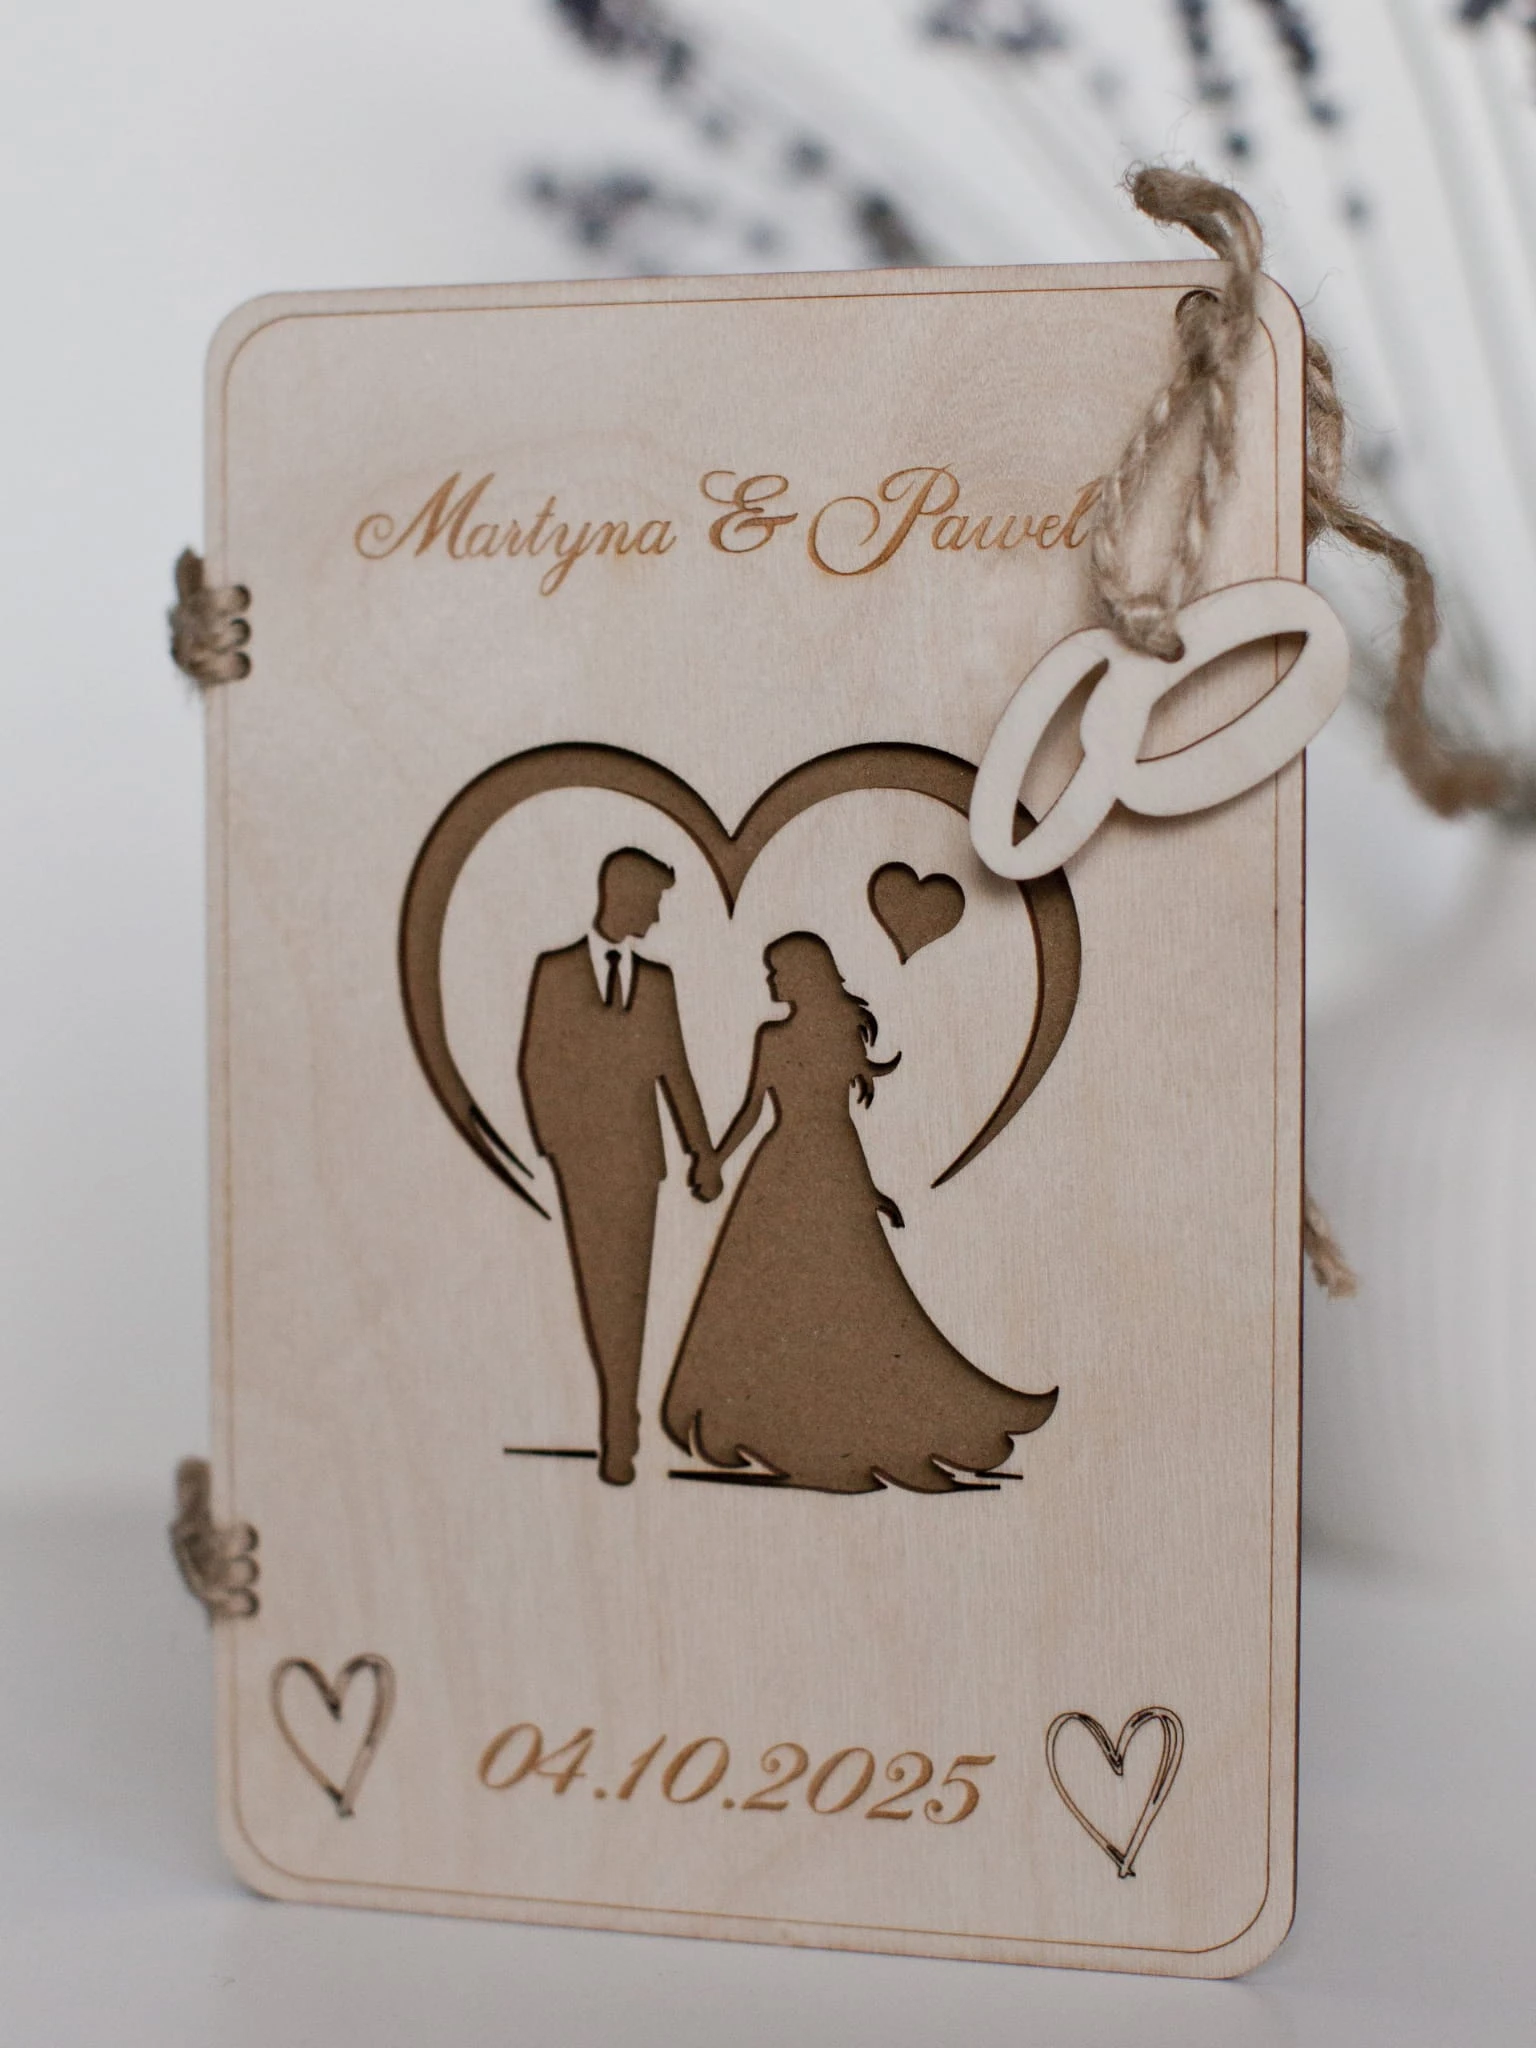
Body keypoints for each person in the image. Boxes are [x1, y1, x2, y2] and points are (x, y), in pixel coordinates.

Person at [662, 932, 1057, 1492]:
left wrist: (865, 1188)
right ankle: (777, 1421)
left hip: (824, 1169)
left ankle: (841, 1421)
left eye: (779, 971)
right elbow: (753, 1109)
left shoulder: (837, 1030)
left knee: (843, 1296)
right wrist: (715, 1160)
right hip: (783, 1170)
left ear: (805, 975)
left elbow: (836, 1120)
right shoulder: (773, 1036)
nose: (772, 981)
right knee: (770, 1295)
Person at [519, 848, 718, 1485]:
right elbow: (537, 1065)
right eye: (651, 902)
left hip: (640, 1164)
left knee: (627, 1294)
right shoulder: (555, 972)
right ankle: (617, 1413)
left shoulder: (657, 983)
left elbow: (675, 1071)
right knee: (597, 1289)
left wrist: (701, 1151)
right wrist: (558, 1146)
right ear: (621, 895)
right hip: (581, 1165)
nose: (656, 917)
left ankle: (618, 1425)